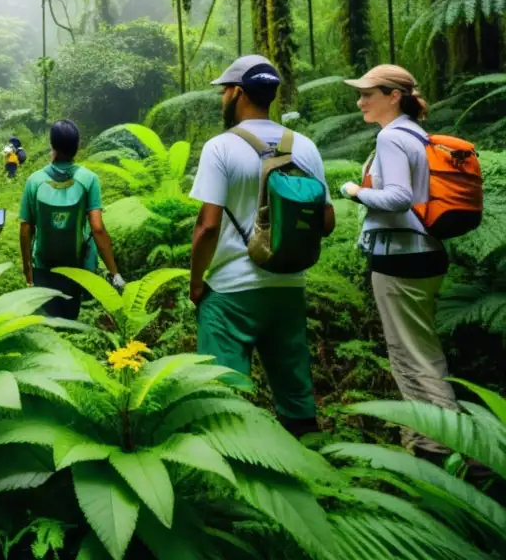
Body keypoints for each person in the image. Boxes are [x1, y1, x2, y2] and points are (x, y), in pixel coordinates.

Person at [188, 55, 335, 438]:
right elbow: (327, 222)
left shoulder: (220, 148)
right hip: (288, 284)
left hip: (231, 291)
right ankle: (311, 465)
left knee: (225, 393)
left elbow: (207, 226)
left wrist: (196, 282)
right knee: (295, 390)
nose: (222, 100)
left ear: (237, 93)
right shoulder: (304, 146)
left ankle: (237, 473)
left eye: (224, 92)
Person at [339, 65, 459, 460]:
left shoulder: (391, 138)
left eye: (368, 94)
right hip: (425, 253)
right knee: (424, 349)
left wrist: (354, 191)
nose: (360, 102)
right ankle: (434, 440)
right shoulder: (416, 134)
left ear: (394, 96)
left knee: (409, 355)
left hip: (401, 256)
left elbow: (398, 198)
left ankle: (445, 451)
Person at [20, 120, 124, 320]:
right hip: (75, 267)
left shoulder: (34, 181)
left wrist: (27, 269)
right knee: (70, 321)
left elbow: (26, 229)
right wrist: (114, 272)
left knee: (49, 326)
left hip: (42, 266)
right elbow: (97, 228)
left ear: (52, 145)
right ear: (78, 146)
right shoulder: (89, 179)